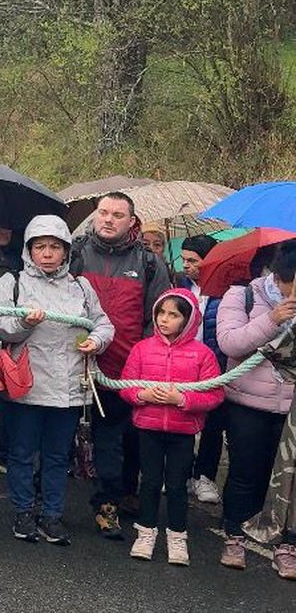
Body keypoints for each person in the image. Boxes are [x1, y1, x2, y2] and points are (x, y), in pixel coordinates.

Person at [0, 215, 113, 545]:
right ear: (29, 250)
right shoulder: (10, 283)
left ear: (66, 251)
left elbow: (103, 324)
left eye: (54, 247)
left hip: (69, 388)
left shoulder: (81, 287)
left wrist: (96, 341)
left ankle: (53, 515)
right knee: (22, 452)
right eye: (40, 247)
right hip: (26, 386)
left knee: (59, 456)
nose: (47, 253)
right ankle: (23, 512)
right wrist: (25, 324)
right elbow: (0, 326)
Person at [71, 192, 171, 540]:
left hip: (126, 367)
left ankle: (116, 498)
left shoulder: (149, 263)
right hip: (78, 361)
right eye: (103, 213)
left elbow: (159, 317)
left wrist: (147, 360)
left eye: (117, 214)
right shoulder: (76, 253)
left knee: (121, 438)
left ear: (132, 222)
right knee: (78, 438)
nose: (108, 219)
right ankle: (80, 503)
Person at [120, 290, 224, 565]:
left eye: (174, 315)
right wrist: (142, 396)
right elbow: (126, 386)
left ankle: (177, 537)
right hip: (148, 427)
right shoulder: (142, 348)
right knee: (150, 482)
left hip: (183, 432)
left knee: (178, 485)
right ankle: (146, 533)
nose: (164, 320)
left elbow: (215, 395)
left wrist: (183, 400)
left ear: (188, 320)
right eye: (161, 313)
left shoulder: (203, 355)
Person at [214, 240, 296, 577]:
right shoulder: (243, 296)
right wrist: (274, 319)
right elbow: (230, 343)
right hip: (248, 400)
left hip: (291, 406)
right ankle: (235, 534)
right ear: (278, 278)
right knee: (246, 471)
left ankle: (285, 542)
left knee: (289, 479)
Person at [178, 234, 226, 505]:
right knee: (183, 420)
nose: (187, 265)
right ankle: (181, 471)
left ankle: (205, 475)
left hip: (215, 364)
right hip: (183, 364)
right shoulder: (181, 286)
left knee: (213, 423)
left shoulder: (227, 290)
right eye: (184, 260)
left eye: (193, 261)